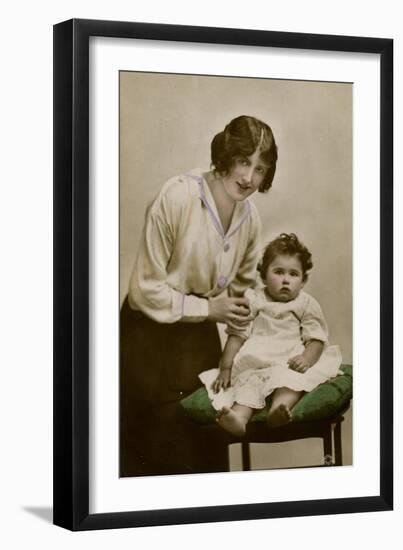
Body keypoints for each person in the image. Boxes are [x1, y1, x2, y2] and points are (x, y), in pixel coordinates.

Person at [120, 115, 278, 476]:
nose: (249, 178)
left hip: (199, 342)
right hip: (146, 339)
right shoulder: (177, 196)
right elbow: (144, 289)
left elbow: (240, 298)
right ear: (225, 154)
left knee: (205, 456)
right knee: (154, 457)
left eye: (260, 168)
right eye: (243, 161)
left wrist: (248, 344)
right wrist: (210, 308)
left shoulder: (249, 219)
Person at [200, 233, 342, 437]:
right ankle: (239, 418)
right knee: (247, 385)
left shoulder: (305, 303)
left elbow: (316, 338)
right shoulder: (253, 300)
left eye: (293, 274)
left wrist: (306, 359)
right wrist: (226, 367)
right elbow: (237, 335)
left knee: (288, 380)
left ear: (303, 280)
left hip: (287, 359)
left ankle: (279, 410)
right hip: (256, 360)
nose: (286, 280)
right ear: (264, 275)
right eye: (278, 272)